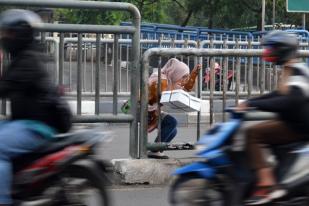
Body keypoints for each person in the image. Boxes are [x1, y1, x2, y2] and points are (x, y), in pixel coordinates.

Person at [0, 9, 72, 205]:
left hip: (35, 127)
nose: (5, 37)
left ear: (21, 33)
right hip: (24, 123)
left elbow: (3, 87)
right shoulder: (25, 56)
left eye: (8, 33)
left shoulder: (28, 60)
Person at [236, 31, 309, 205]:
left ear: (282, 50)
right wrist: (250, 102)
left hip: (299, 126)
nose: (269, 52)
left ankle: (267, 185)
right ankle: (276, 175)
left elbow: (289, 101)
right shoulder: (291, 69)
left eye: (273, 49)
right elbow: (277, 95)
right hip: (293, 122)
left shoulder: (297, 72)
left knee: (253, 133)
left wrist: (254, 105)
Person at [147, 58, 201, 159]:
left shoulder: (170, 80)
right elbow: (153, 99)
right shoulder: (161, 80)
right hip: (145, 111)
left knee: (173, 130)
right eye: (183, 76)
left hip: (153, 111)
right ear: (176, 73)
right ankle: (154, 149)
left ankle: (156, 150)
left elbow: (186, 88)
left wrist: (194, 74)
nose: (184, 80)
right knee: (171, 123)